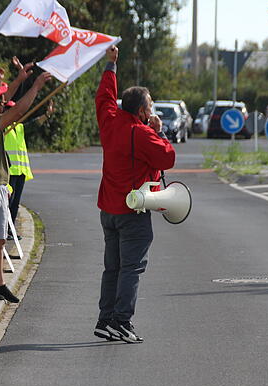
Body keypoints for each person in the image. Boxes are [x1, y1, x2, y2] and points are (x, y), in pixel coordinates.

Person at [93, 45, 175, 344]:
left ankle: (105, 320)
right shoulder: (142, 133)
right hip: (134, 210)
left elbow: (103, 97)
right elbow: (167, 159)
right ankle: (121, 321)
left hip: (108, 209)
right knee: (132, 268)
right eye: (149, 107)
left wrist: (111, 65)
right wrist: (160, 131)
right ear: (141, 111)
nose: (151, 111)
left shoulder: (110, 120)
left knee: (112, 267)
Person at [0, 64, 51, 302]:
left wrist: (19, 79)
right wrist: (35, 86)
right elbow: (19, 109)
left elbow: (5, 98)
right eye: (0, 102)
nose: (4, 103)